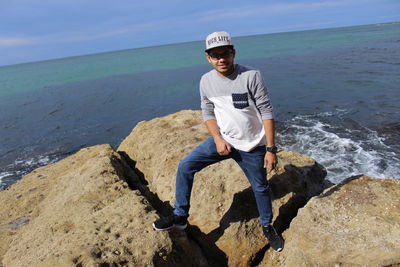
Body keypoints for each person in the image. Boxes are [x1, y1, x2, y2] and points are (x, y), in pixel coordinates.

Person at [152, 31, 283, 252]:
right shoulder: (206, 81)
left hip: (252, 145)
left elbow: (267, 112)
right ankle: (180, 216)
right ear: (208, 58)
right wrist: (217, 139)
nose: (221, 59)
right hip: (224, 140)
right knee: (185, 166)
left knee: (260, 188)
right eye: (215, 55)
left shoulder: (251, 75)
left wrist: (270, 149)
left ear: (233, 53)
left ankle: (267, 225)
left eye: (225, 53)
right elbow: (208, 112)